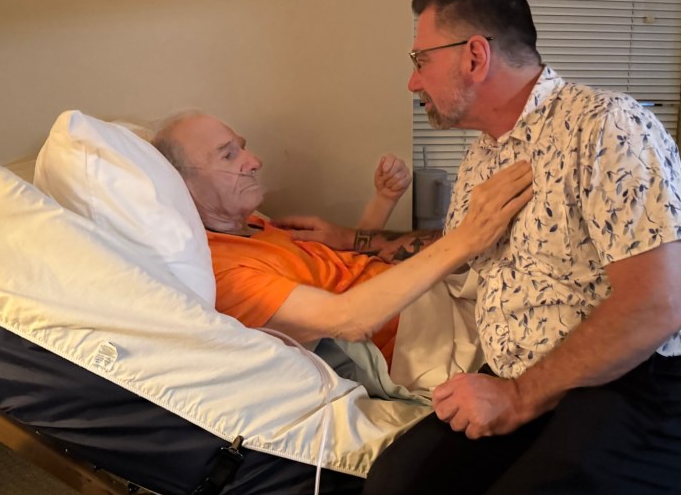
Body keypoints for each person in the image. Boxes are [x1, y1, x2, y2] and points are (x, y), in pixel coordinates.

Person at [283, 0, 681, 495]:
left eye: (420, 60)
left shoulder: (606, 125)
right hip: (531, 377)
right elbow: (458, 249)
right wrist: (356, 239)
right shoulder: (483, 157)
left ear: (474, 56)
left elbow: (655, 307)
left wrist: (518, 398)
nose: (413, 81)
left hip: (641, 385)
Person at [151, 110, 532, 368]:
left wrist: (383, 201)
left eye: (242, 146)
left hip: (429, 294)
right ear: (182, 184)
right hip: (421, 339)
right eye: (228, 155)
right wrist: (465, 239)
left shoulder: (254, 224)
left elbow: (343, 273)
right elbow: (346, 319)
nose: (253, 161)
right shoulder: (224, 272)